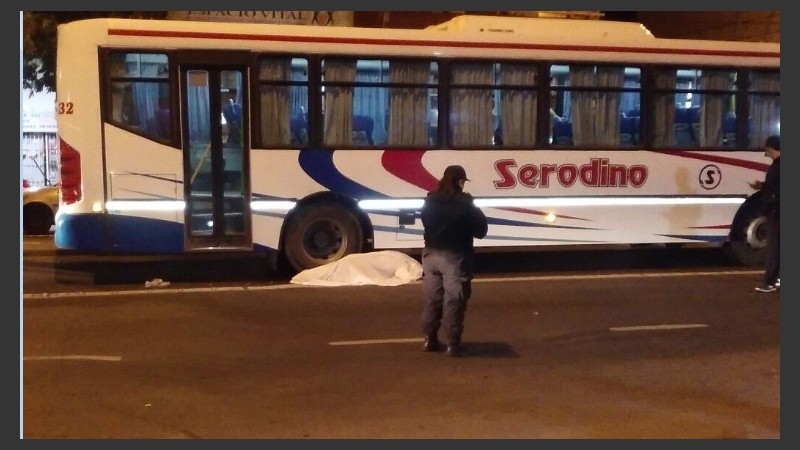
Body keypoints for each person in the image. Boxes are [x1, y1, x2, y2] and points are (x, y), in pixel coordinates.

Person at [420, 165, 488, 357]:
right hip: (454, 257)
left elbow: (425, 221)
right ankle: (452, 343)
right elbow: (481, 230)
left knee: (433, 299)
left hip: (430, 255)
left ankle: (429, 339)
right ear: (460, 182)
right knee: (453, 301)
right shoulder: (465, 203)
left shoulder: (430, 199)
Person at [749, 135, 780, 293]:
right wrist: (762, 186)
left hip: (777, 211)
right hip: (777, 209)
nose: (767, 153)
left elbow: (775, 188)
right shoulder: (778, 164)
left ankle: (769, 282)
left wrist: (765, 189)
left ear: (774, 149)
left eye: (768, 150)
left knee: (773, 248)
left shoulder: (779, 166)